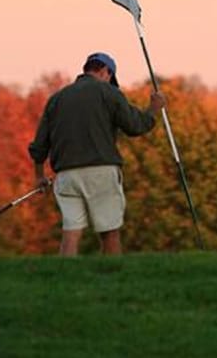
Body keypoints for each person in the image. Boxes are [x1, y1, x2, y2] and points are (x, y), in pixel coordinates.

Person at [28, 51, 167, 255]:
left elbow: (39, 144)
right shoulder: (109, 93)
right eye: (110, 77)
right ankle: (113, 281)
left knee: (71, 232)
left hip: (66, 175)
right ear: (104, 71)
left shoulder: (56, 99)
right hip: (101, 171)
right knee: (109, 231)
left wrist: (39, 175)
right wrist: (153, 110)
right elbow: (135, 126)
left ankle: (63, 281)